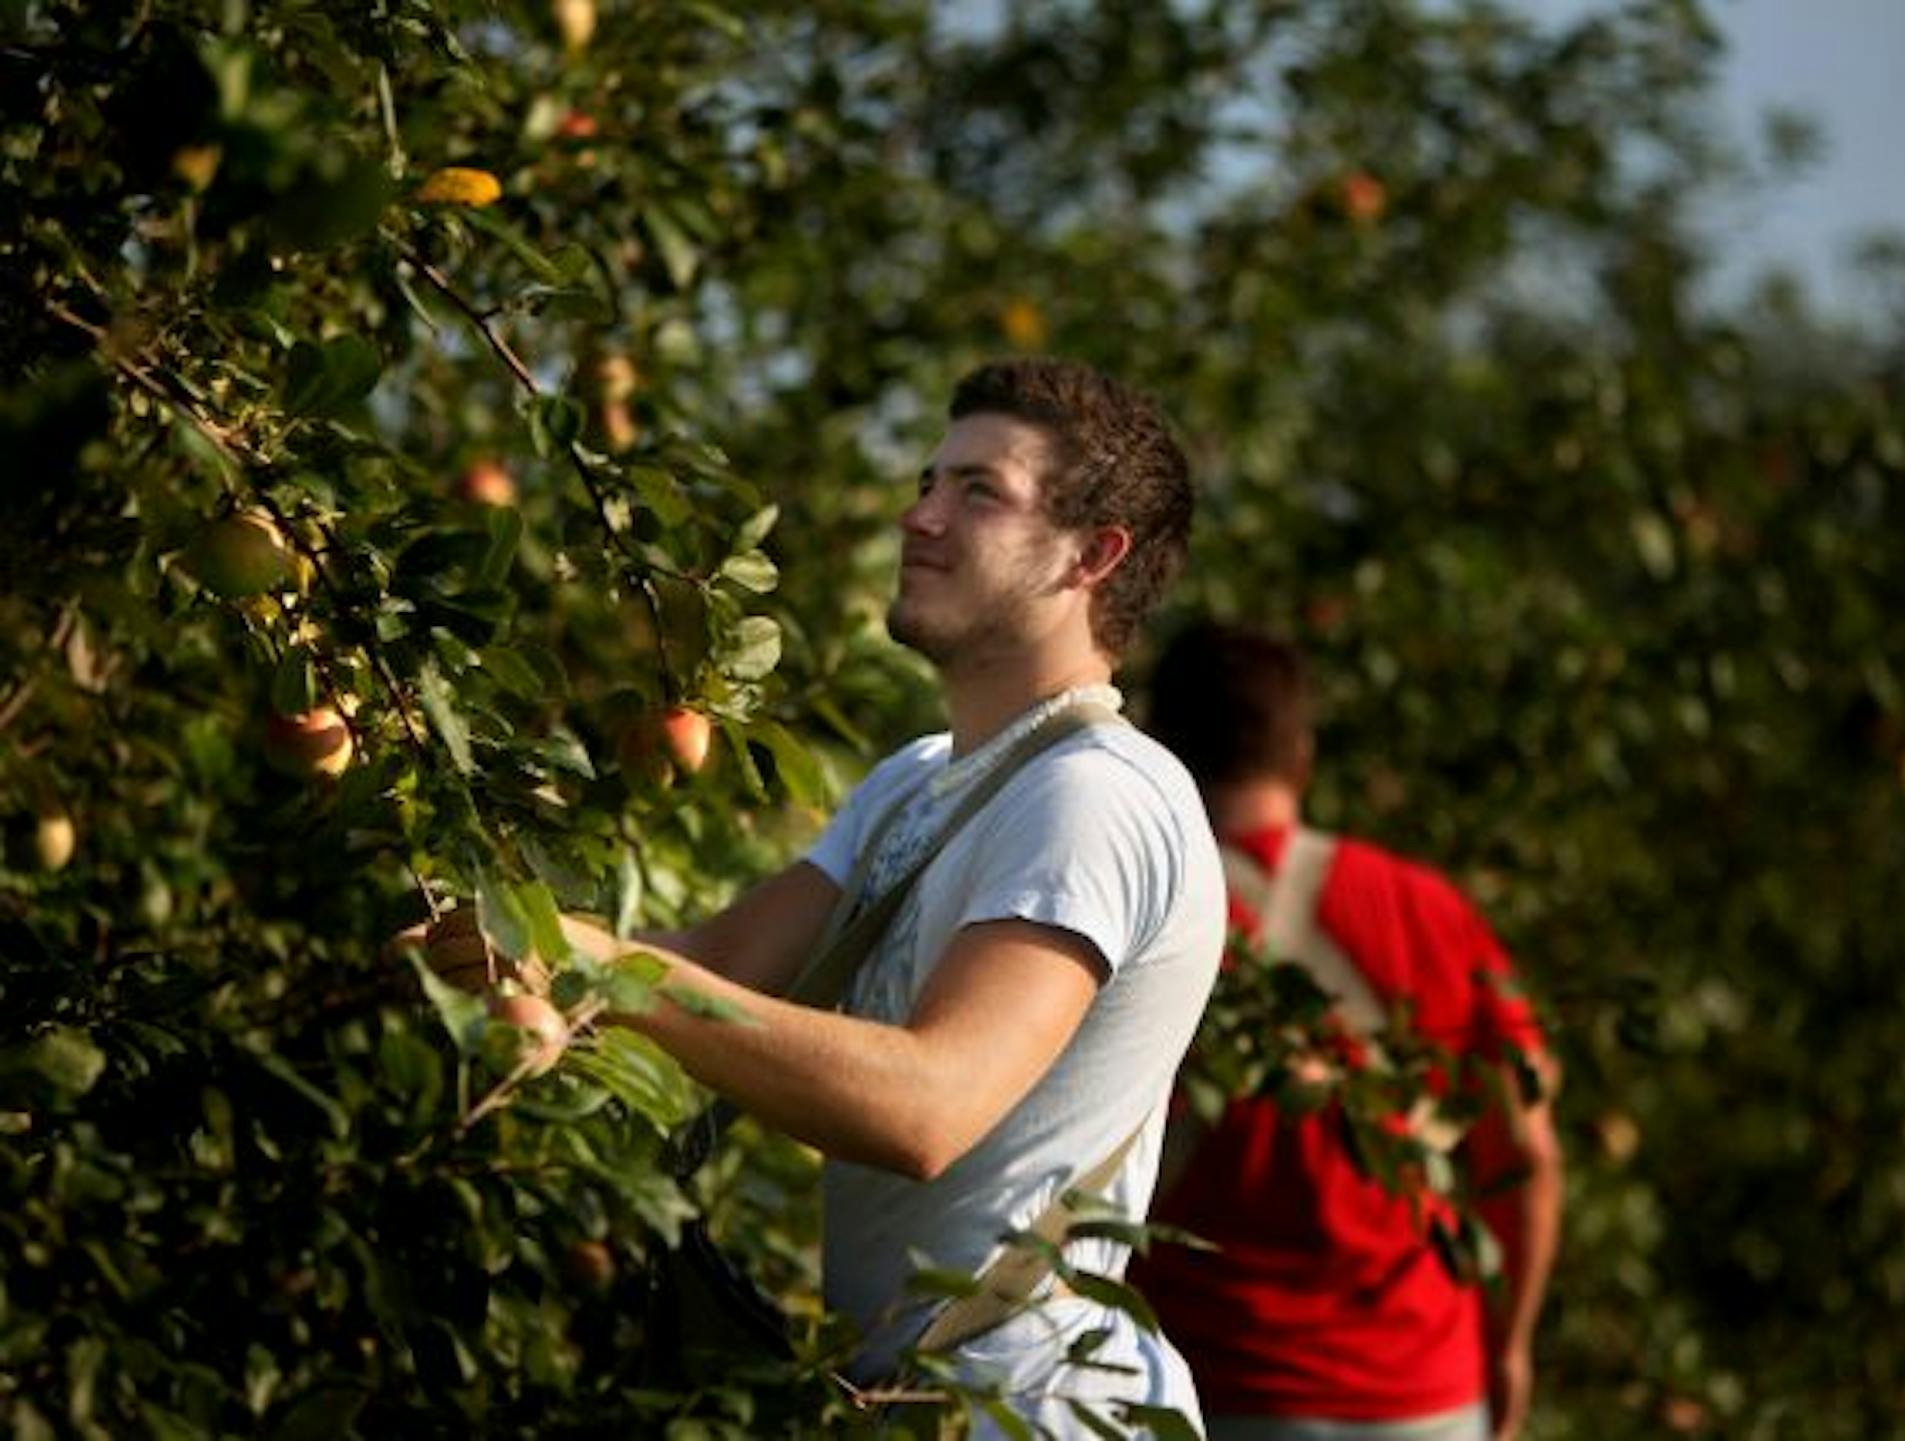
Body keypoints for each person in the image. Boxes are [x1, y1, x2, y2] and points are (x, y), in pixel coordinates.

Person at [414, 359, 1225, 1434]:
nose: (920, 514)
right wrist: (506, 944)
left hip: (1037, 1409)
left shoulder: (1096, 796)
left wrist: (601, 965)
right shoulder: (918, 781)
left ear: (1093, 554)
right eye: (930, 480)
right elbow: (717, 964)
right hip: (906, 1400)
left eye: (978, 491)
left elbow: (927, 1106)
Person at [1128, 622, 1563, 1441]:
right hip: (1421, 1393)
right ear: (1302, 753)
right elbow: (1527, 1152)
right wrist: (1511, 1345)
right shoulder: (1428, 910)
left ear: (1163, 746)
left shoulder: (1134, 911)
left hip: (1199, 1387)